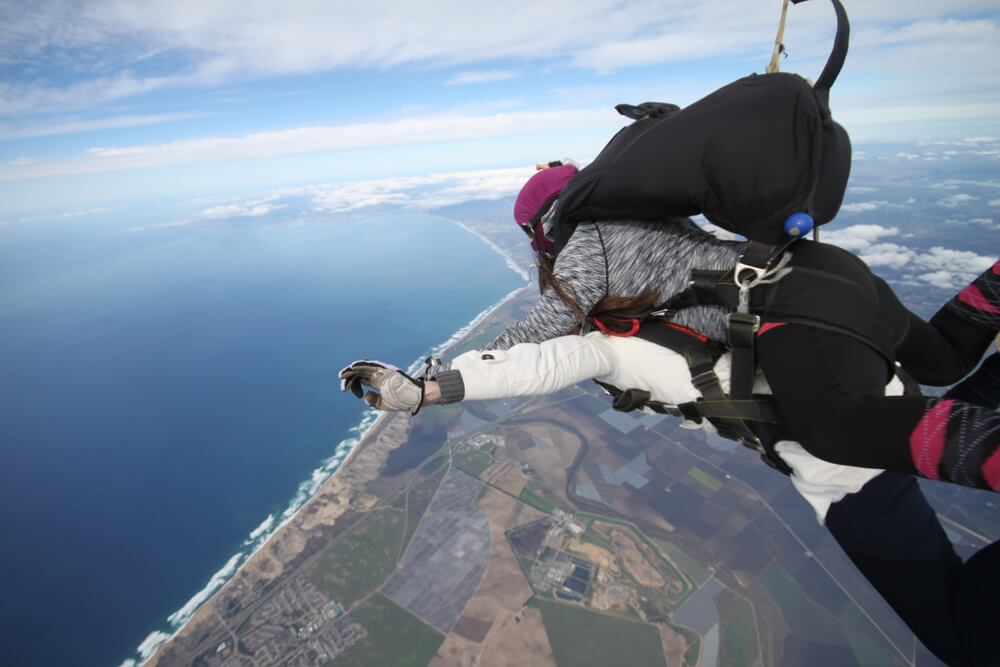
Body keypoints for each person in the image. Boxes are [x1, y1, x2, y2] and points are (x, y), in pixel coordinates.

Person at [347, 162, 1000, 492]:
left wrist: (439, 381)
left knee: (839, 431)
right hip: (826, 270)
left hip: (784, 310)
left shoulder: (585, 244)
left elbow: (545, 335)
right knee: (943, 358)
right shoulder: (649, 210)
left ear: (544, 226)